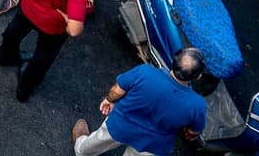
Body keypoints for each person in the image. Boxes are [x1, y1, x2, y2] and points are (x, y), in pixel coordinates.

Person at [72, 50, 208, 156]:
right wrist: (189, 133)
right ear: (198, 76)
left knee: (96, 142)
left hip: (121, 125)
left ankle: (81, 150)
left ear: (174, 61)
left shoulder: (145, 72)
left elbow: (117, 90)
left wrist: (109, 100)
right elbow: (193, 132)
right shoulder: (198, 105)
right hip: (153, 145)